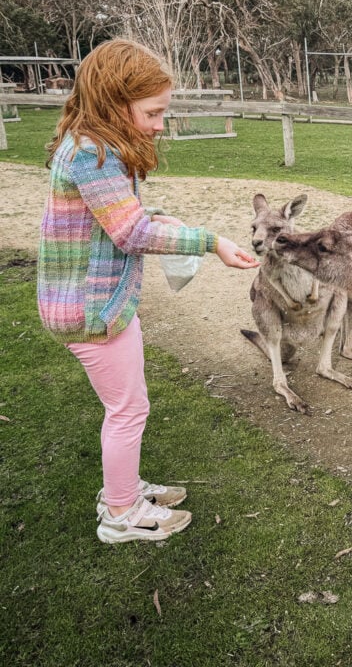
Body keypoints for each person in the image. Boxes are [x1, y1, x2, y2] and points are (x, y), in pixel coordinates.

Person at [36, 38, 260, 544]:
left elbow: (118, 220)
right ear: (116, 102)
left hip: (103, 304)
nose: (161, 124)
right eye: (153, 112)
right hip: (91, 311)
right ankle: (120, 514)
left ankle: (126, 487)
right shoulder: (93, 155)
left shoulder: (90, 145)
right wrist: (211, 241)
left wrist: (156, 217)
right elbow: (129, 233)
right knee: (128, 410)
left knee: (128, 406)